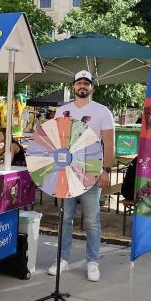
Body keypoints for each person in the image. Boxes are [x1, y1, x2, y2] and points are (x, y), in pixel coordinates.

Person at [47, 70, 115, 282]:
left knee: (92, 220)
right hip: (67, 172)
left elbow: (109, 143)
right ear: (73, 87)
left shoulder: (103, 111)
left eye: (86, 82)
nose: (82, 86)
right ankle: (63, 259)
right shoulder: (62, 111)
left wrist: (106, 169)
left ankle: (92, 262)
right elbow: (55, 140)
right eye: (79, 83)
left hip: (91, 173)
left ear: (92, 87)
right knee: (65, 218)